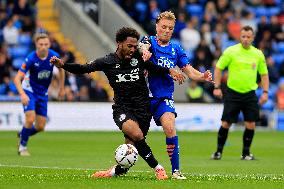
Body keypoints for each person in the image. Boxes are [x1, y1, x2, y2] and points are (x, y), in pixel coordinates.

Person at [50, 27, 185, 180]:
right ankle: (158, 168)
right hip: (122, 108)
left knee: (130, 149)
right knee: (137, 134)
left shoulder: (139, 58)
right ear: (119, 43)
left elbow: (154, 68)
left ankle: (113, 172)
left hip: (143, 109)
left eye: (135, 46)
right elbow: (84, 68)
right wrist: (63, 65)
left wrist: (170, 71)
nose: (133, 50)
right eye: (129, 46)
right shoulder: (107, 61)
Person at [139, 11, 213, 179]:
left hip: (163, 97)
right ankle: (119, 168)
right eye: (163, 27)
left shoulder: (176, 49)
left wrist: (202, 76)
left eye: (170, 28)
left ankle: (176, 171)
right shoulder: (148, 41)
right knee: (135, 137)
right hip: (142, 97)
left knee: (170, 127)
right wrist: (144, 51)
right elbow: (141, 46)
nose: (166, 30)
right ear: (157, 26)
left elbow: (190, 71)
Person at [211, 25, 269, 160]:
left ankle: (246, 153)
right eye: (243, 36)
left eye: (249, 37)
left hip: (250, 94)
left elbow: (264, 74)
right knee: (226, 123)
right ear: (240, 37)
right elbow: (219, 68)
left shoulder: (258, 54)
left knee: (251, 123)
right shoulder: (231, 51)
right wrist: (217, 87)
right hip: (233, 93)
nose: (246, 39)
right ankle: (218, 152)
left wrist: (265, 92)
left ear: (253, 38)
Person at [14, 33, 65, 156]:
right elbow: (17, 78)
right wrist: (22, 94)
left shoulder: (54, 56)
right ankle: (22, 147)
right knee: (30, 119)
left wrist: (61, 88)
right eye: (41, 44)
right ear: (36, 44)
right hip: (29, 91)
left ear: (49, 44)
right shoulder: (31, 58)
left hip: (43, 93)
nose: (43, 47)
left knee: (41, 126)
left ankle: (23, 134)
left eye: (46, 44)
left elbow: (62, 69)